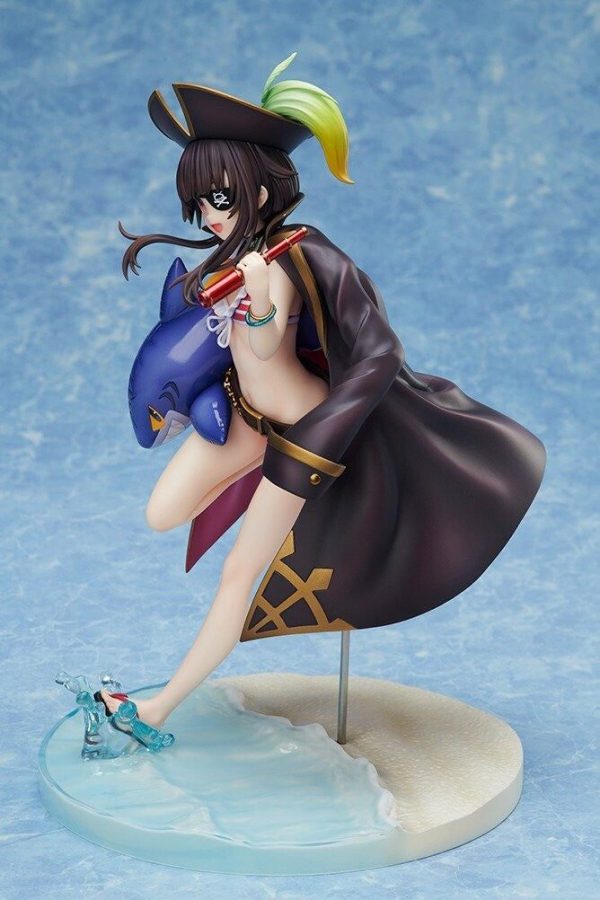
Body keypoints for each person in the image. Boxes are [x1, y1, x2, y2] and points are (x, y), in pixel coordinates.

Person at [101, 55, 546, 730]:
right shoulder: (236, 256)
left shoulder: (291, 258)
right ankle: (268, 500)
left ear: (260, 190)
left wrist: (258, 302)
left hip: (301, 436)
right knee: (162, 514)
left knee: (238, 576)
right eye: (199, 202)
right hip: (245, 416)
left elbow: (294, 345)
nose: (208, 216)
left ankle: (157, 708)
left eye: (220, 198)